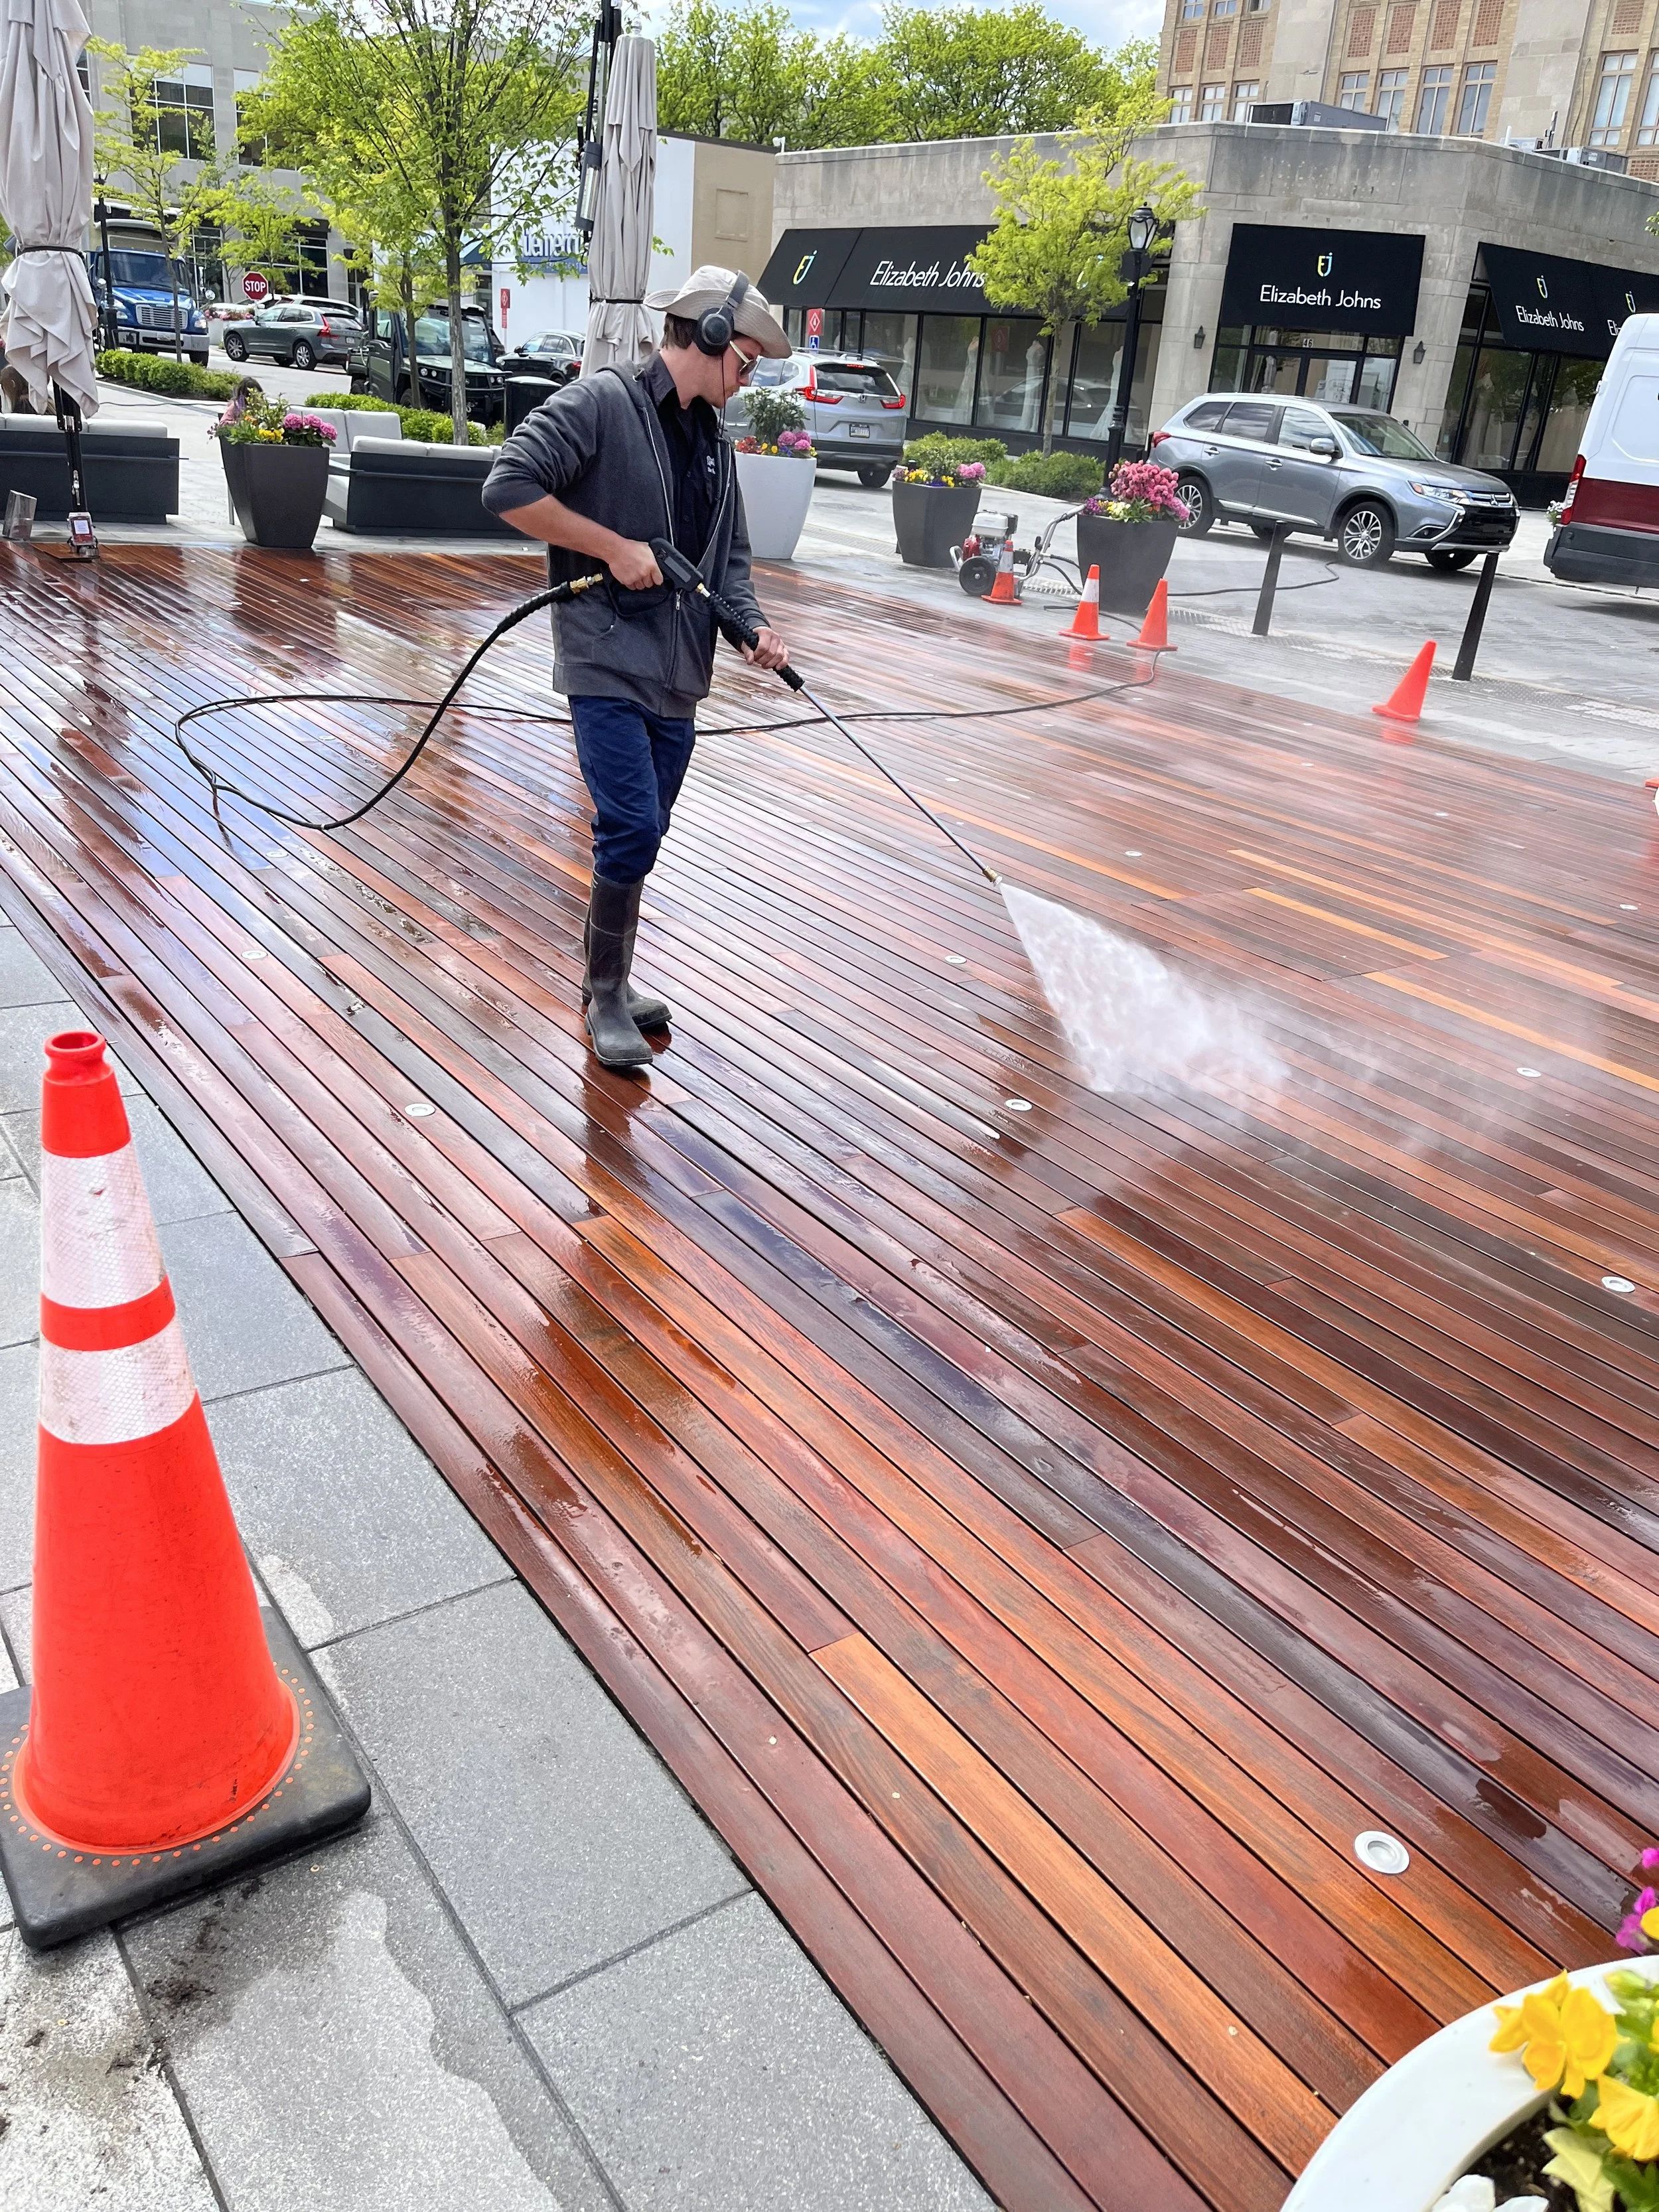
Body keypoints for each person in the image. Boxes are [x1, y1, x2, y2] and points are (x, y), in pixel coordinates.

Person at [482, 266, 792, 1070]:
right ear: (713, 337)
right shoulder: (602, 404)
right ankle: (605, 994)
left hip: (679, 678)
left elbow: (732, 563)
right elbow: (506, 485)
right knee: (630, 824)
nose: (747, 377)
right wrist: (611, 548)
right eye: (747, 361)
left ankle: (607, 980)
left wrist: (752, 626)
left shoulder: (716, 448)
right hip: (605, 660)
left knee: (641, 837)